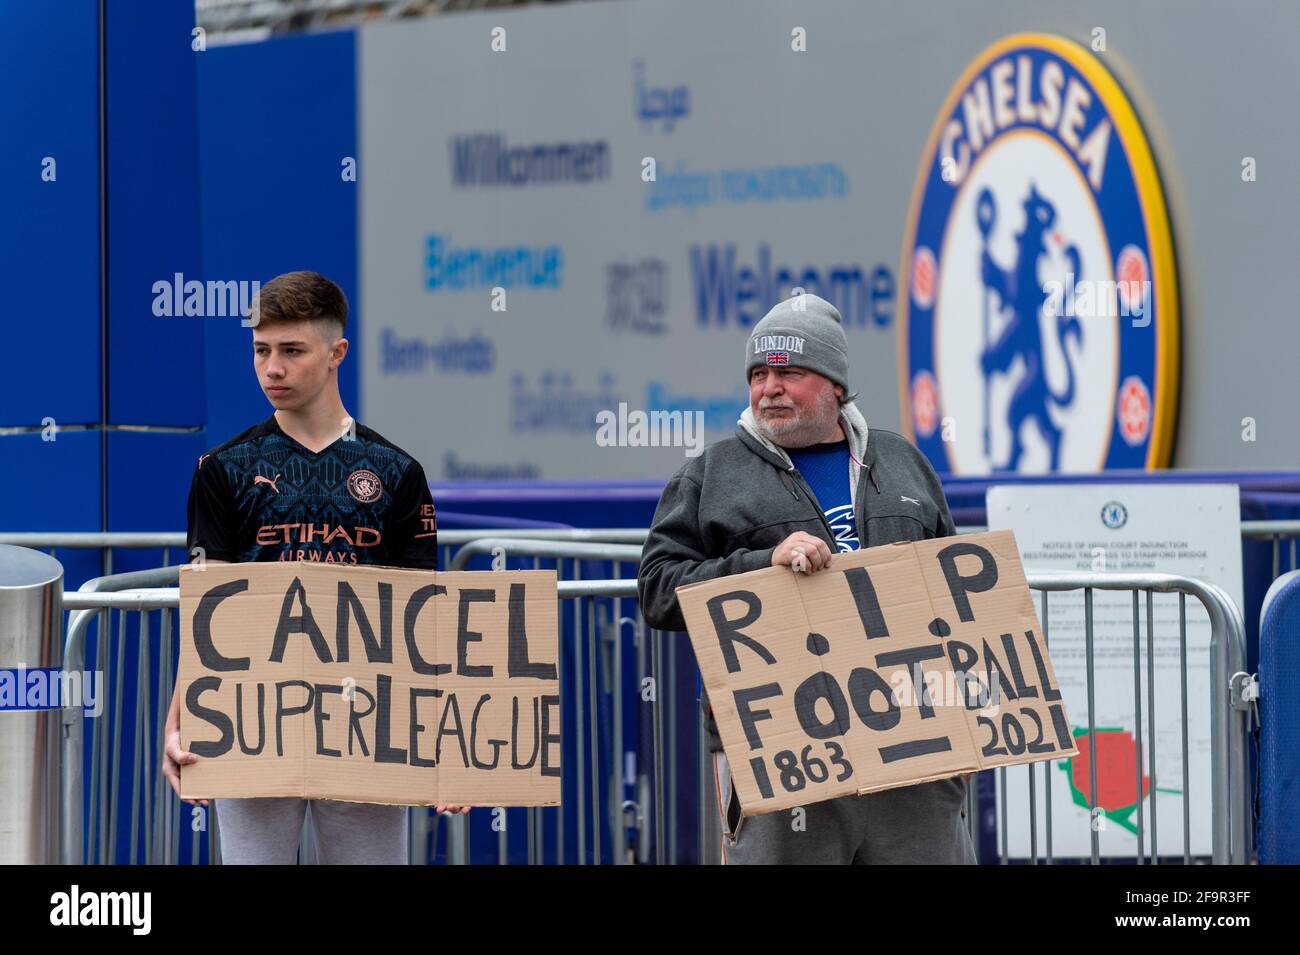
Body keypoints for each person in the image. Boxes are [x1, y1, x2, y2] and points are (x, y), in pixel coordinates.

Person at [637, 292, 977, 865]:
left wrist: (973, 711)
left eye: (789, 372)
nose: (769, 387)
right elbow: (658, 589)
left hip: (913, 748)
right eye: (758, 374)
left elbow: (957, 598)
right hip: (783, 752)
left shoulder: (904, 463)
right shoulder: (710, 475)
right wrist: (759, 566)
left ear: (835, 385)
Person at [161, 270, 467, 864]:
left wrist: (449, 739)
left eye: (291, 351)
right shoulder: (222, 468)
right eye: (261, 351)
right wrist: (180, 720)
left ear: (336, 352)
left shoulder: (398, 471)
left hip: (369, 725)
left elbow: (424, 617)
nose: (271, 368)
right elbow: (205, 605)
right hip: (252, 722)